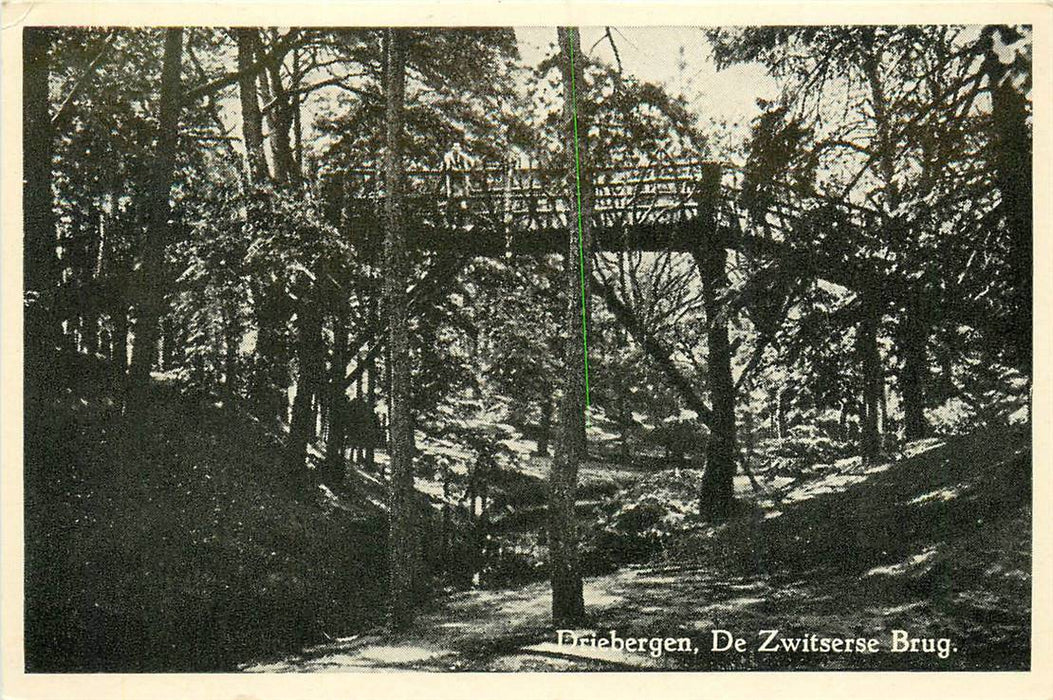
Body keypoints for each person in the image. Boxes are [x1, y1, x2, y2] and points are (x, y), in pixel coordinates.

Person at [441, 141, 474, 227]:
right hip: (450, 181)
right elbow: (448, 167)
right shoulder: (448, 156)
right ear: (452, 148)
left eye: (458, 147)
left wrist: (468, 168)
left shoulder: (462, 156)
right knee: (450, 202)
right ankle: (450, 223)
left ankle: (461, 223)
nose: (456, 149)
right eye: (454, 147)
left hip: (460, 182)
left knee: (462, 203)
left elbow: (471, 161)